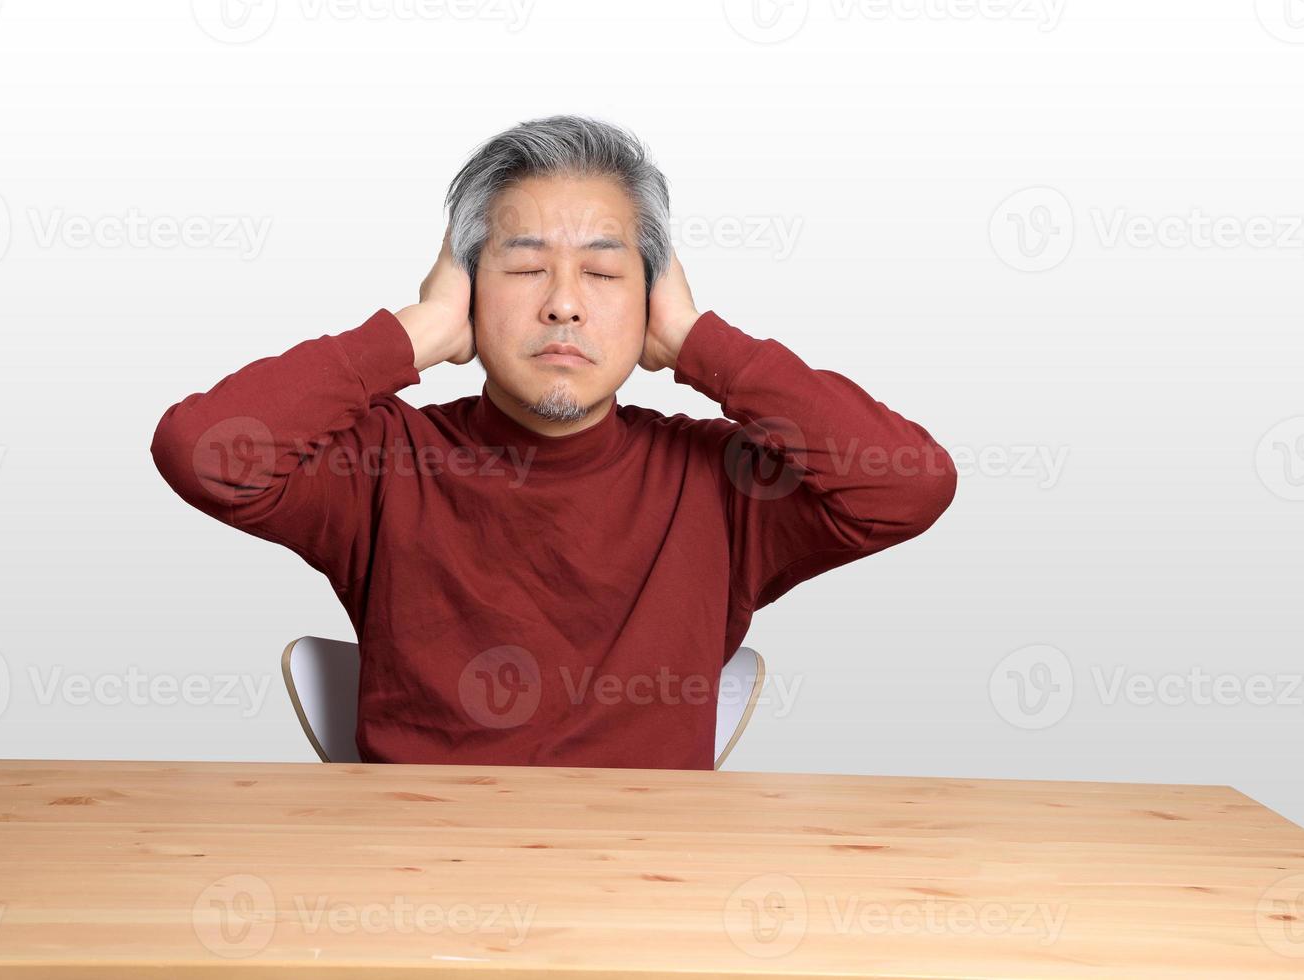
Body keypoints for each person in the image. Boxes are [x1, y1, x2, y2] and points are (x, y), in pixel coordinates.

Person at [150, 114, 957, 769]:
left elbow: (910, 486)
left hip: (648, 892)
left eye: (604, 275)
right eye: (526, 269)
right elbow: (200, 451)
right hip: (412, 888)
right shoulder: (383, 464)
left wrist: (702, 343)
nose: (565, 305)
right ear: (467, 292)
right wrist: (415, 334)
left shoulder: (719, 481)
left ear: (651, 303)